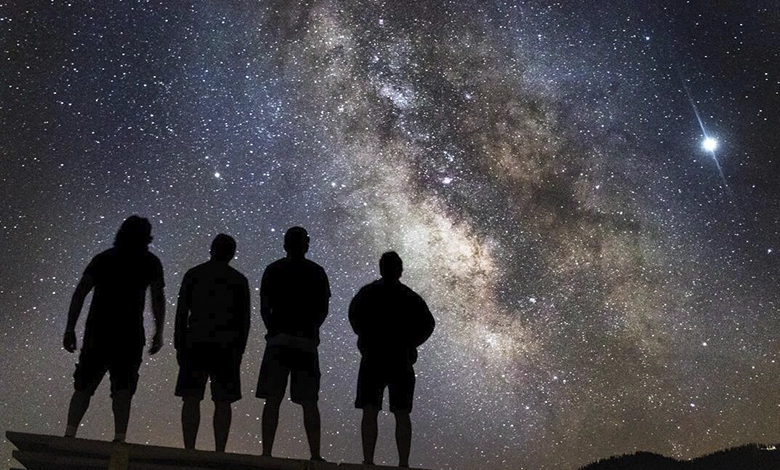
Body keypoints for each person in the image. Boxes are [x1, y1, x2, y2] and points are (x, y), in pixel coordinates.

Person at [62, 215, 165, 443]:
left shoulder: (104, 259)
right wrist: (159, 331)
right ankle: (119, 438)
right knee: (123, 388)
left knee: (84, 385)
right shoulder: (150, 262)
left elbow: (80, 293)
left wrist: (70, 328)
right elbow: (157, 298)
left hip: (98, 331)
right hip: (129, 334)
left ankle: (70, 433)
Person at [349, 251, 435, 468]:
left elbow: (354, 316)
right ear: (400, 270)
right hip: (399, 359)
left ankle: (369, 461)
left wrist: (365, 338)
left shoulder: (368, 293)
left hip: (374, 358)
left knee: (372, 410)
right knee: (400, 412)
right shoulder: (410, 297)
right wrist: (411, 343)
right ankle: (402, 463)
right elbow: (428, 324)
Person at [255, 226, 330, 461]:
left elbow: (264, 306)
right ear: (306, 245)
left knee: (273, 398)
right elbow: (323, 309)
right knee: (309, 401)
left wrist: (272, 329)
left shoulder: (274, 270)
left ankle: (267, 453)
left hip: (279, 341)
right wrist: (312, 329)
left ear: (285, 244)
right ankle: (315, 454)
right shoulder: (317, 272)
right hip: (305, 343)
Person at [174, 234, 250, 452]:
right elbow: (244, 320)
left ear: (211, 249)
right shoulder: (238, 280)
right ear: (232, 254)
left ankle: (189, 448)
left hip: (195, 342)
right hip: (227, 346)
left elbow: (181, 313)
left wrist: (179, 343)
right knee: (223, 400)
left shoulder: (194, 274)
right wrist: (240, 349)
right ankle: (220, 451)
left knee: (191, 397)